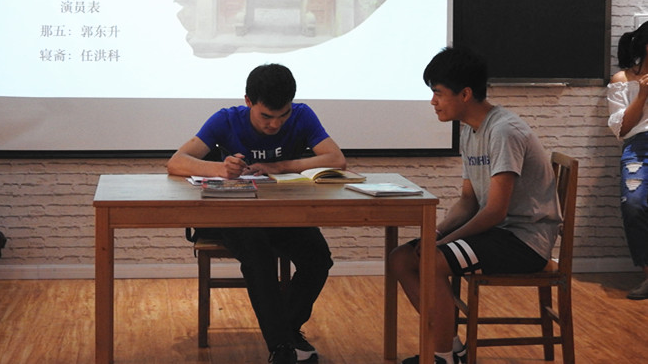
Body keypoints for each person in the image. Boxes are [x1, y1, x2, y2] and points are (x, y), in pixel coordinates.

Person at [390, 46, 562, 364]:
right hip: (498, 233)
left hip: (524, 241)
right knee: (401, 258)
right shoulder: (470, 131)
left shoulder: (504, 131)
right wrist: (436, 233)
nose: (433, 101)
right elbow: (468, 201)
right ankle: (453, 346)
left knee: (431, 260)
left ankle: (442, 356)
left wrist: (442, 244)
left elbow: (495, 211)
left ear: (465, 94)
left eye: (438, 93)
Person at [168, 63, 346, 364]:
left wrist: (280, 166)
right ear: (248, 101)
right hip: (234, 216)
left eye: (282, 115)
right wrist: (220, 168)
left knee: (318, 258)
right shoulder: (226, 119)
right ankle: (282, 346)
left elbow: (336, 159)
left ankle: (287, 331)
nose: (275, 124)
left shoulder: (302, 115)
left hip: (282, 214)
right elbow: (176, 162)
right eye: (266, 116)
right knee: (259, 257)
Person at [607, 21, 648, 300]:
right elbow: (621, 129)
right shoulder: (622, 80)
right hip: (639, 145)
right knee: (634, 204)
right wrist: (642, 94)